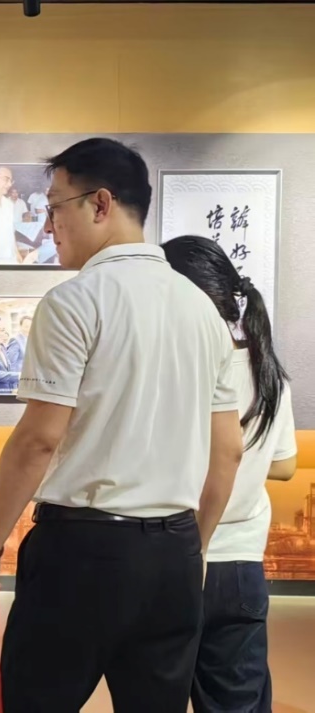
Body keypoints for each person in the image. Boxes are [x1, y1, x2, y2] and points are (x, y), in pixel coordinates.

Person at [0, 138, 245, 713]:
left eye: (54, 207)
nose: (48, 226)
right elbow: (229, 450)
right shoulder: (202, 312)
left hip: (81, 552)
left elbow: (39, 440)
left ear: (100, 203)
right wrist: (192, 550)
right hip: (175, 551)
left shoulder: (74, 302)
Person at [163, 236, 297, 713]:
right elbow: (285, 465)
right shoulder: (268, 372)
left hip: (181, 556)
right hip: (242, 566)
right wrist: (249, 471)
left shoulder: (180, 369)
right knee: (240, 698)